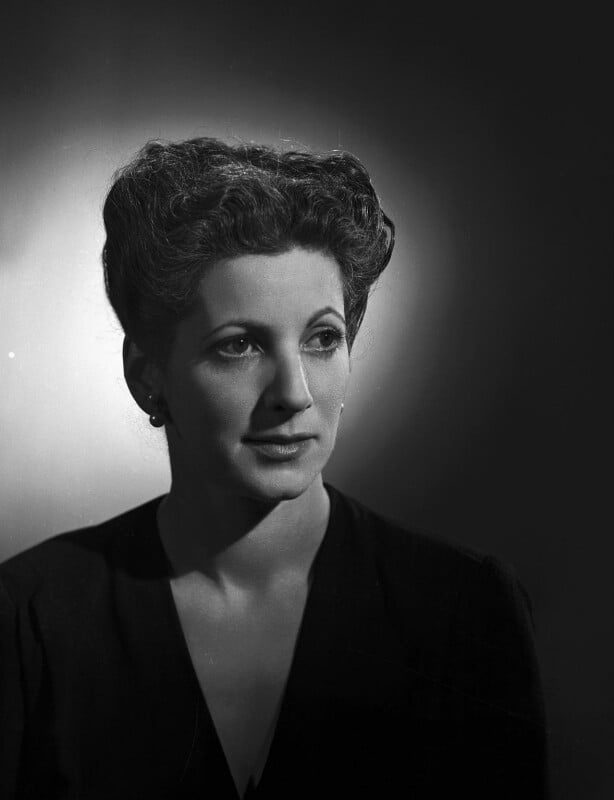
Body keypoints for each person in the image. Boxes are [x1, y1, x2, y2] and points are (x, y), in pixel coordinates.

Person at [0, 138, 548, 798]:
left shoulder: (465, 609)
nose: (295, 392)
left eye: (323, 339)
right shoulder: (28, 619)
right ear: (147, 375)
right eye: (239, 345)